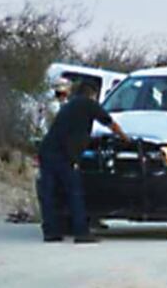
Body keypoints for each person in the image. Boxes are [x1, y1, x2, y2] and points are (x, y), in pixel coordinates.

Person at [38, 80, 128, 243]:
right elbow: (110, 123)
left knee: (49, 193)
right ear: (93, 94)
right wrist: (125, 138)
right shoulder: (88, 104)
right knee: (75, 192)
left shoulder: (70, 106)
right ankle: (81, 232)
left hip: (47, 151)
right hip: (65, 155)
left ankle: (51, 232)